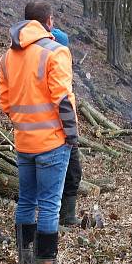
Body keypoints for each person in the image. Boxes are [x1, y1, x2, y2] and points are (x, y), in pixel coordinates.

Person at [0, 0, 81, 264]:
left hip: (24, 142)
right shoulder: (56, 52)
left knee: (26, 201)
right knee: (49, 205)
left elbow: (5, 103)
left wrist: (24, 124)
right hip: (52, 142)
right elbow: (63, 99)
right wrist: (71, 136)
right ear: (48, 21)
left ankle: (25, 262)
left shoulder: (7, 56)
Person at [50, 26, 82, 227]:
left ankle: (67, 216)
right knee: (67, 174)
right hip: (58, 133)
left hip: (62, 130)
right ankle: (62, 219)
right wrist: (71, 134)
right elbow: (61, 100)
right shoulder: (54, 65)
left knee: (73, 173)